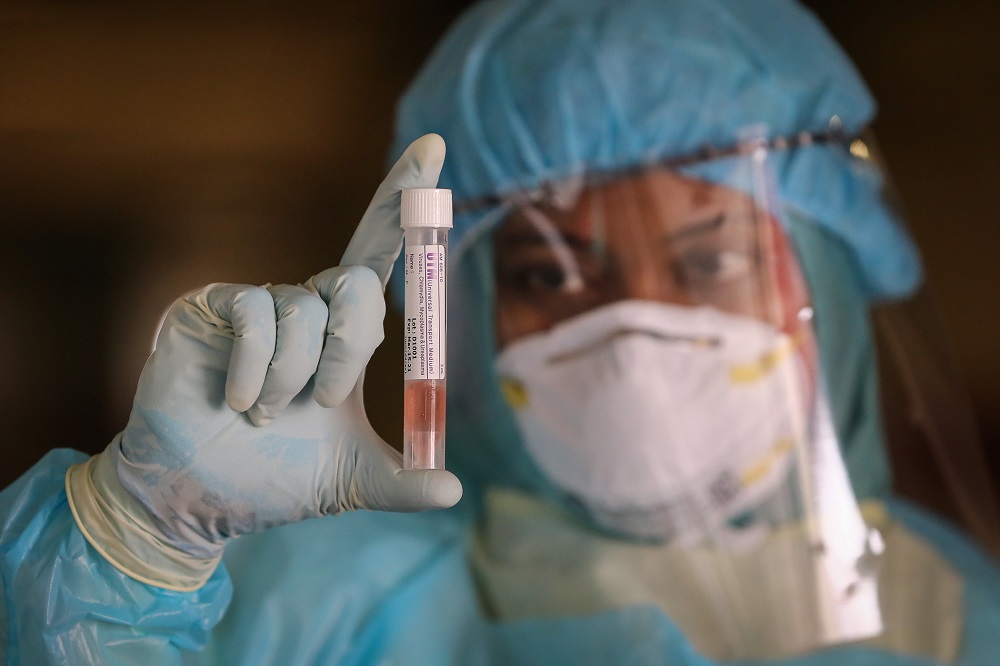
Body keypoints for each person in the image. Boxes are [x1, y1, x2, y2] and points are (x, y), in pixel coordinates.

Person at [2, 0, 999, 663]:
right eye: (546, 273)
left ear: (823, 270)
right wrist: (137, 549)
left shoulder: (957, 613)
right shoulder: (328, 602)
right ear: (470, 309)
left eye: (709, 262)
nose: (629, 335)